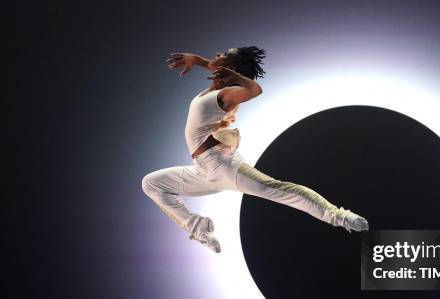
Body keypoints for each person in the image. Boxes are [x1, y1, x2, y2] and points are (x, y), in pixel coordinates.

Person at [142, 46, 369, 253]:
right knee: (151, 183)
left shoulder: (226, 94)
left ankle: (340, 217)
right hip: (203, 171)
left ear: (229, 69)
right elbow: (215, 66)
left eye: (223, 54)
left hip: (225, 167)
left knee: (282, 190)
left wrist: (236, 77)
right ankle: (198, 227)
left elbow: (255, 90)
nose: (216, 54)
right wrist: (196, 60)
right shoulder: (214, 89)